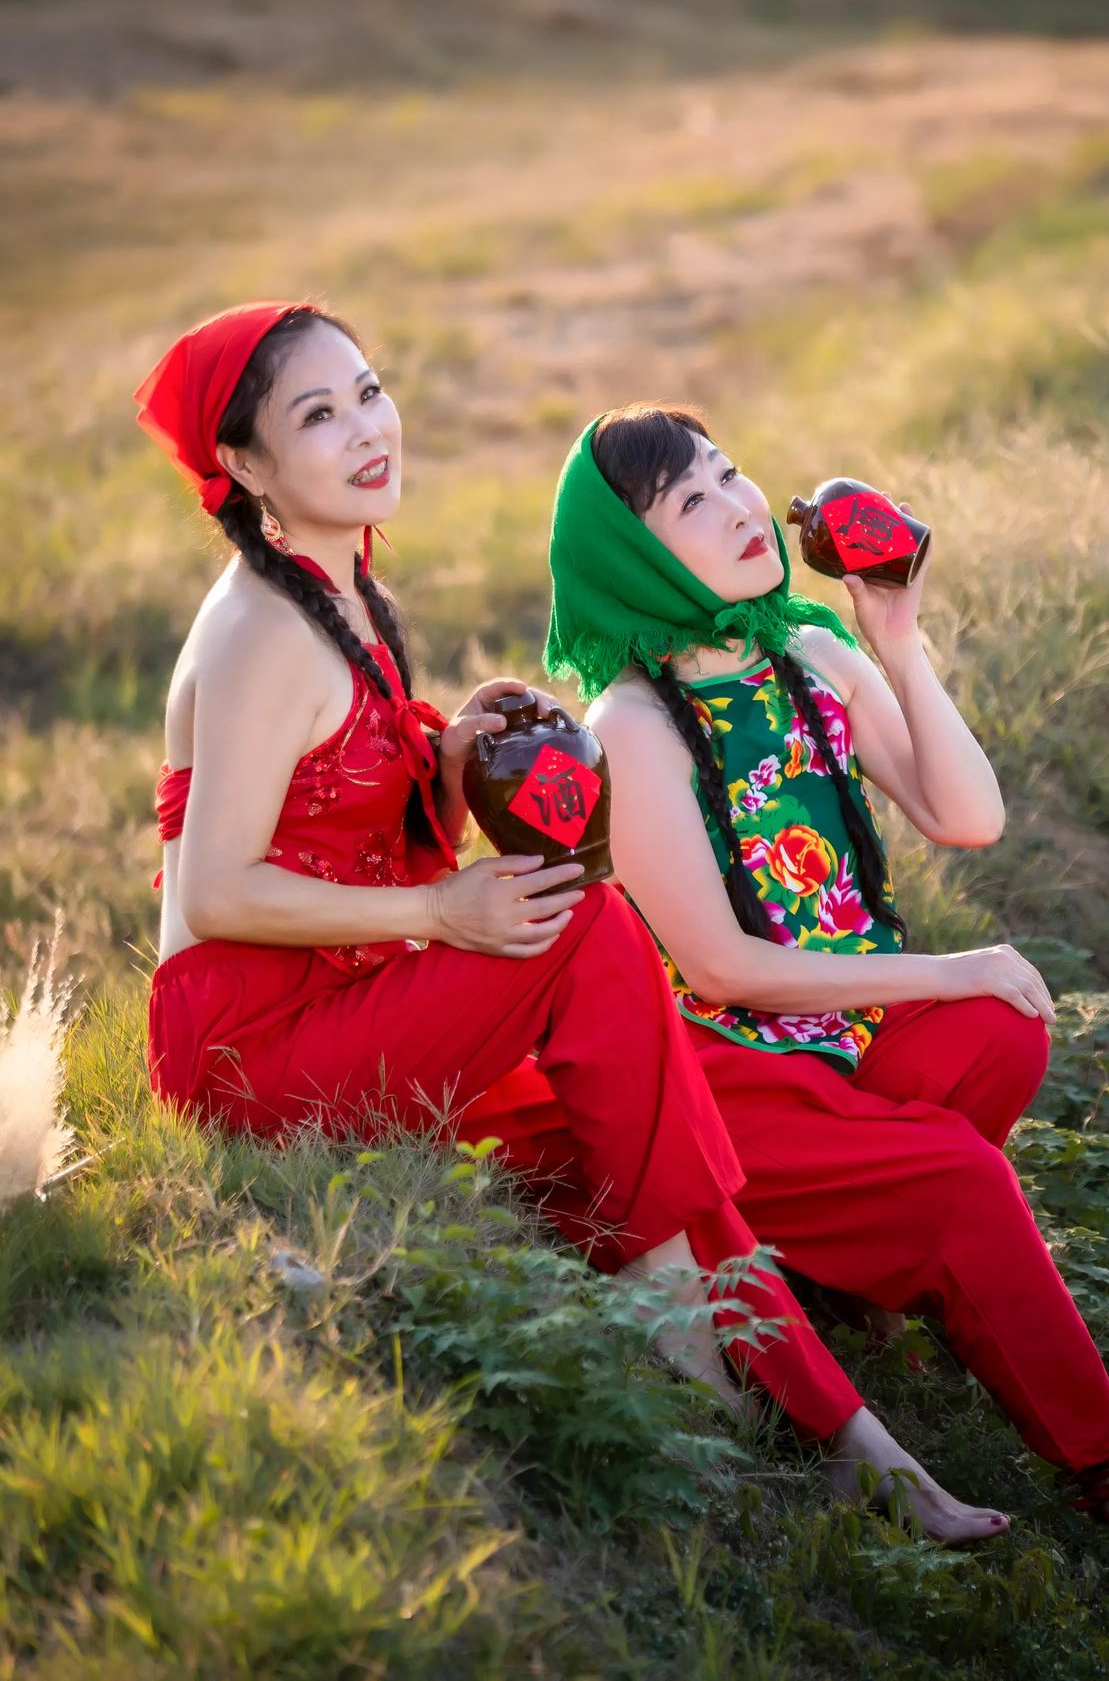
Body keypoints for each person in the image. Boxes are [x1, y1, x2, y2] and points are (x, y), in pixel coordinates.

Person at [135, 302, 1008, 1545]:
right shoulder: (260, 629)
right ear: (245, 464)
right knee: (594, 932)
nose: (367, 430)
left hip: (342, 1000)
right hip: (249, 1046)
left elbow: (330, 815)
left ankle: (832, 1431)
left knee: (622, 1110)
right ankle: (727, 1384)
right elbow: (215, 891)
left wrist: (447, 764)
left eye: (370, 392)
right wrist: (439, 907)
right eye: (317, 416)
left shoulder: (345, 592)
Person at [537, 402, 1109, 1608]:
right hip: (721, 1076)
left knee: (1000, 1029)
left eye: (730, 476)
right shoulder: (631, 724)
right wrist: (942, 968)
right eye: (690, 504)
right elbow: (718, 970)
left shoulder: (806, 648)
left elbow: (965, 817)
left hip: (837, 1037)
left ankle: (853, 1270)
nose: (737, 509)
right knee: (957, 1173)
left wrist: (894, 636)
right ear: (632, 555)